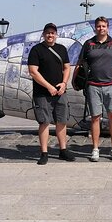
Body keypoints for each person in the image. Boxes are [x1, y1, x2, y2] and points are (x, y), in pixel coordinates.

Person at [73, 16, 112, 162]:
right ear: (95, 28)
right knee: (95, 118)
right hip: (93, 86)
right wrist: (73, 78)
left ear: (107, 27)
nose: (101, 28)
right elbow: (80, 62)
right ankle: (95, 148)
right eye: (98, 26)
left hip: (110, 85)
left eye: (103, 26)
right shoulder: (88, 44)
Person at [28, 23, 75, 165]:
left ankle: (63, 150)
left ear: (56, 34)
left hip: (60, 92)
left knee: (62, 121)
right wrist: (49, 87)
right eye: (48, 33)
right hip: (42, 93)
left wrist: (64, 83)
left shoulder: (61, 49)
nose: (50, 35)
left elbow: (67, 68)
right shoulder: (36, 50)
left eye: (53, 33)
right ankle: (44, 152)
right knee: (44, 122)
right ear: (43, 34)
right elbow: (33, 71)